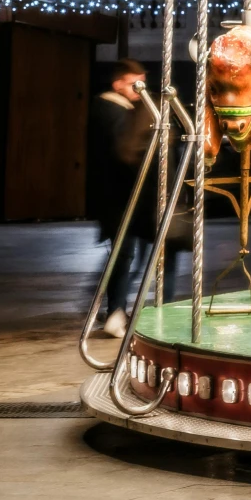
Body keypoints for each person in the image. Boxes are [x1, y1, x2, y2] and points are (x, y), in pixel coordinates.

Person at [87, 60, 158, 336]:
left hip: (124, 196)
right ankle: (116, 308)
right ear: (118, 83)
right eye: (133, 83)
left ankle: (118, 307)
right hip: (118, 196)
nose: (139, 89)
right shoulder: (112, 110)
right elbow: (123, 153)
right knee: (124, 253)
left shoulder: (120, 109)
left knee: (129, 253)